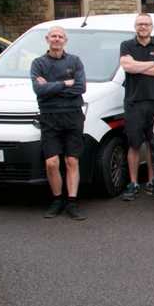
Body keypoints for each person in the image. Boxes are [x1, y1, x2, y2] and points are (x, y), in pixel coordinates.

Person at [31, 25, 87, 220]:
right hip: (49, 117)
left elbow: (80, 87)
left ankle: (72, 202)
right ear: (47, 39)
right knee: (52, 163)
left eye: (60, 36)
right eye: (53, 36)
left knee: (72, 161)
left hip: (73, 116)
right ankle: (57, 200)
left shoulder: (75, 61)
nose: (56, 39)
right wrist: (65, 83)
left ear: (65, 40)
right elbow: (39, 91)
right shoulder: (38, 63)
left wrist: (50, 86)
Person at [119, 13, 154, 200]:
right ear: (135, 26)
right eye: (140, 24)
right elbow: (127, 67)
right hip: (134, 102)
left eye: (146, 24)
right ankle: (133, 183)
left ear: (151, 27)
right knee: (133, 144)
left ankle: (151, 181)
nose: (143, 27)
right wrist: (151, 64)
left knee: (152, 144)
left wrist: (137, 65)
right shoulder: (126, 45)